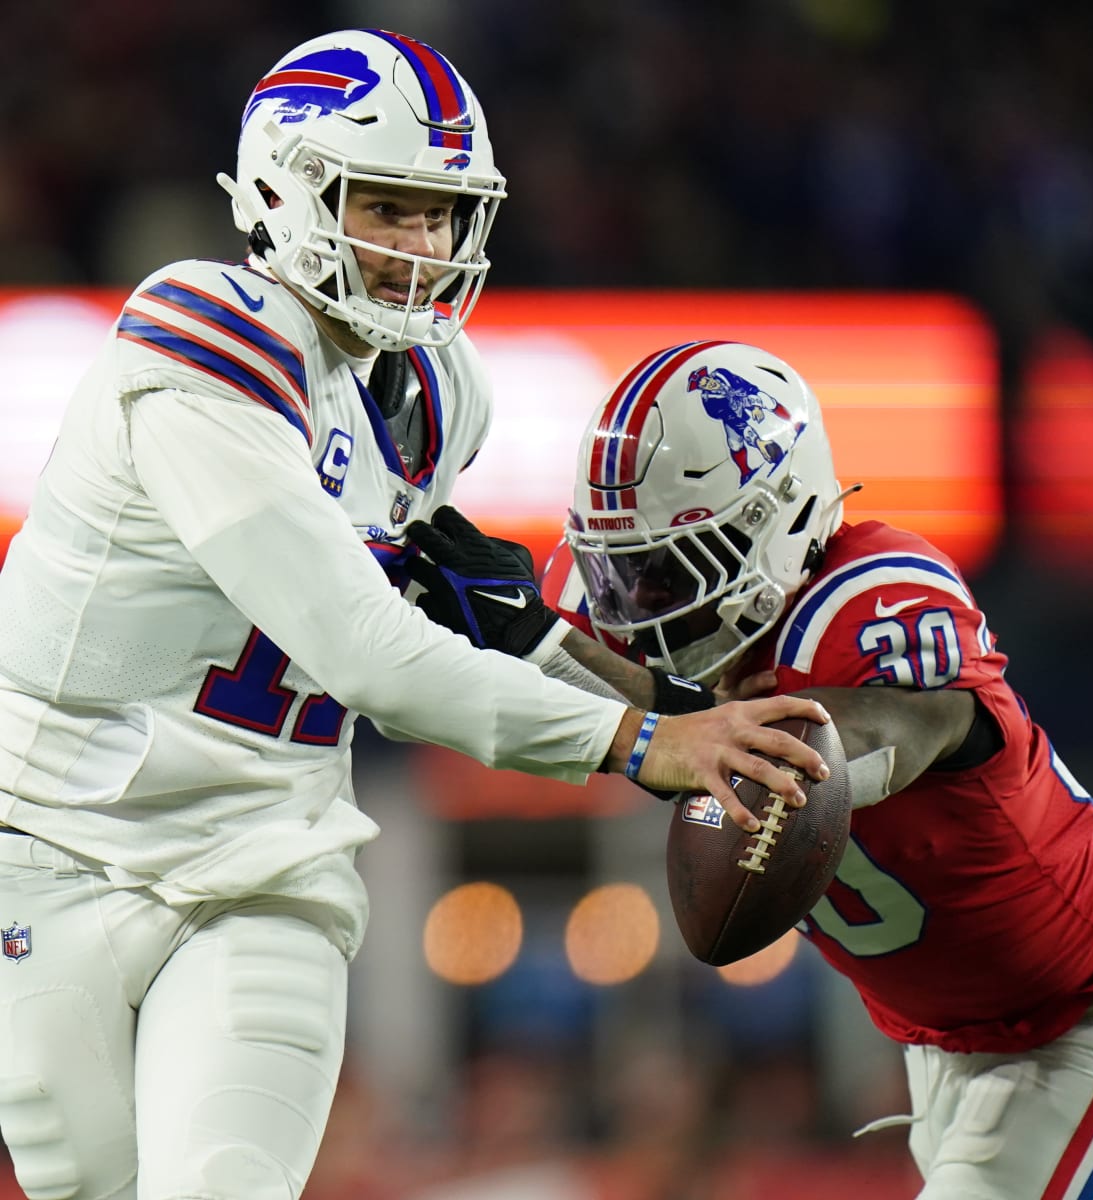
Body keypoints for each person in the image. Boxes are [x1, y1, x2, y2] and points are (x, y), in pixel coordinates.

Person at [0, 37, 831, 1200]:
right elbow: (368, 650)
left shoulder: (437, 390)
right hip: (49, 849)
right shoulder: (197, 342)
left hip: (263, 863)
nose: (420, 248)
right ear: (286, 191)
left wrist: (673, 704)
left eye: (441, 215)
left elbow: (469, 609)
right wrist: (646, 746)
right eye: (387, 207)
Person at [409, 340, 1093, 1199]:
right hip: (943, 1041)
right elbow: (662, 732)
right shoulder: (671, 647)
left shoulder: (869, 604)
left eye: (664, 573)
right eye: (618, 574)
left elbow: (808, 750)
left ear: (778, 522)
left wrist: (551, 650)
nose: (635, 611)